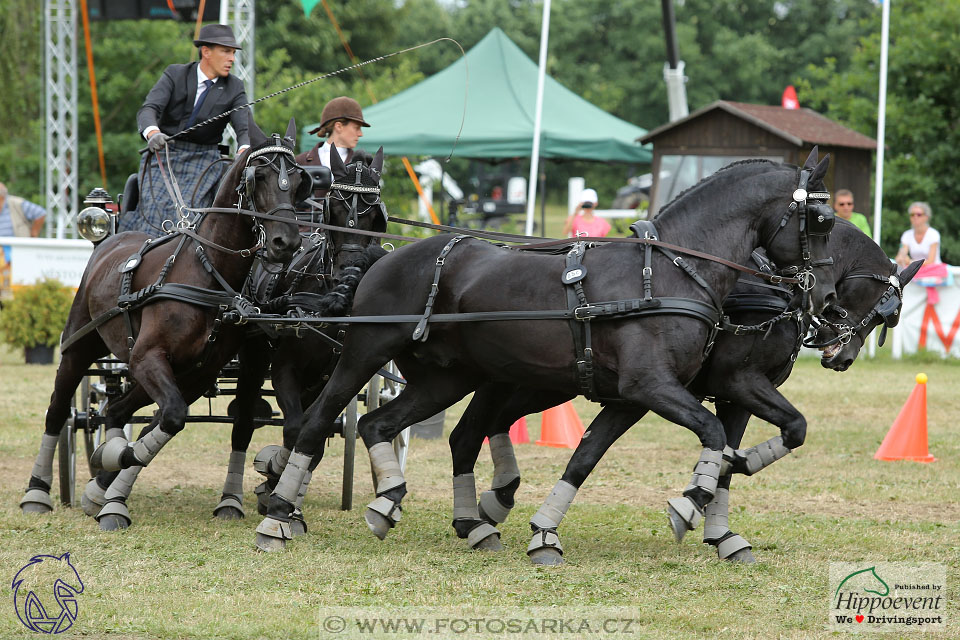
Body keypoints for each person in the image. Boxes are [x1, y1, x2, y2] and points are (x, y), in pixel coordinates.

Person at [119, 24, 252, 235]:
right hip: (164, 154)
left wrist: (244, 149)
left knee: (187, 213)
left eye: (233, 53)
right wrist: (153, 133)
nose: (232, 59)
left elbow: (244, 127)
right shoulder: (175, 74)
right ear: (206, 52)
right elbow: (149, 109)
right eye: (226, 51)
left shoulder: (234, 87)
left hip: (205, 160)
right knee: (155, 210)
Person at [296, 96, 370, 196]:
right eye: (356, 128)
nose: (360, 134)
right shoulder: (300, 161)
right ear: (338, 126)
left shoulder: (363, 164)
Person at [0, 182, 46, 269]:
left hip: (17, 252)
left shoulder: (16, 203)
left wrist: (34, 233)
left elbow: (40, 213)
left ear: (1, 197)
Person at [896, 201, 940, 267]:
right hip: (915, 270)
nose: (915, 217)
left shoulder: (933, 234)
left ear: (926, 217)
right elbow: (901, 254)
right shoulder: (906, 235)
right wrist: (901, 258)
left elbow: (931, 261)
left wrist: (910, 261)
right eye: (912, 215)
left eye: (919, 214)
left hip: (932, 271)